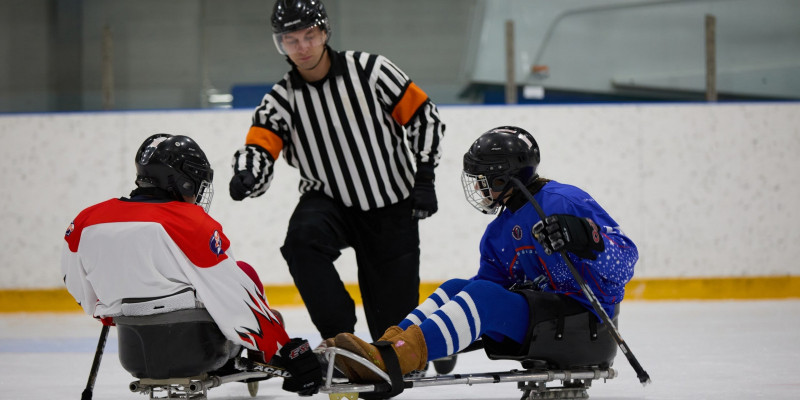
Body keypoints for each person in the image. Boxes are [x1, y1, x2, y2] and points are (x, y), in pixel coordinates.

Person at [332, 126, 638, 382]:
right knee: (457, 287)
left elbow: (626, 262)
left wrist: (588, 237)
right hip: (546, 322)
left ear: (504, 179)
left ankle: (397, 358)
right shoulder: (498, 233)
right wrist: (443, 332)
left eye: (483, 181)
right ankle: (386, 348)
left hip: (586, 326)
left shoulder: (563, 201)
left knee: (482, 295)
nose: (479, 190)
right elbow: (484, 292)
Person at [228, 0, 446, 344]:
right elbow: (260, 146)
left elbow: (423, 115)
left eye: (309, 36)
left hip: (391, 202)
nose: (302, 47)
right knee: (301, 243)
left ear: (325, 32)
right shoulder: (281, 99)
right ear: (280, 44)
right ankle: (339, 335)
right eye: (291, 40)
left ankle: (428, 339)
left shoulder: (371, 70)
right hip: (328, 201)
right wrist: (248, 174)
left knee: (393, 335)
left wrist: (425, 175)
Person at [61, 133, 321, 395]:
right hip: (199, 351)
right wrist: (284, 348)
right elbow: (234, 293)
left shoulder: (85, 220)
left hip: (133, 353)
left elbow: (77, 286)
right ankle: (255, 353)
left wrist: (111, 311)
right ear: (183, 181)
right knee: (244, 271)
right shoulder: (190, 222)